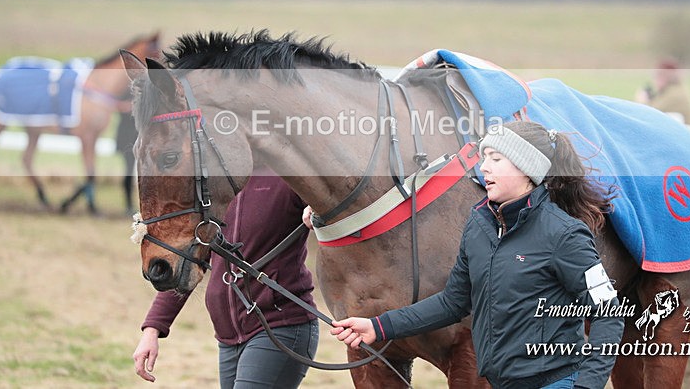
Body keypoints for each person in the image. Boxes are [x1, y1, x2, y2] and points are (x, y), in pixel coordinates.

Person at [330, 121, 624, 389]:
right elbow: (452, 302)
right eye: (485, 158)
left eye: (496, 159)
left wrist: (587, 386)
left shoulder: (564, 234)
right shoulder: (479, 224)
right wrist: (378, 326)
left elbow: (608, 313)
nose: (484, 167)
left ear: (526, 168)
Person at [132, 168, 319, 388]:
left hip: (281, 327)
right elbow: (189, 261)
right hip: (228, 338)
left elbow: (337, 200)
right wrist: (153, 329)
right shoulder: (213, 187)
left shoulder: (287, 173)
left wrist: (319, 212)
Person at [635, 57, 690, 125]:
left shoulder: (674, 94)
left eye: (657, 75)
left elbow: (649, 113)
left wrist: (642, 101)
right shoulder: (674, 89)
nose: (654, 80)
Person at [115, 109, 138, 215]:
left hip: (133, 136)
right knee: (128, 171)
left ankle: (129, 205)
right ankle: (128, 205)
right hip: (127, 139)